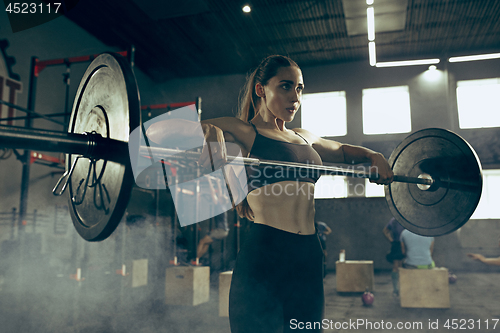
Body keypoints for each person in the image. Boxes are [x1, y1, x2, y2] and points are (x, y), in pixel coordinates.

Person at [147, 55, 393, 333]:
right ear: (261, 90)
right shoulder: (244, 131)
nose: (295, 97)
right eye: (286, 86)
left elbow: (344, 152)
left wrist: (375, 155)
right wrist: (206, 128)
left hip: (309, 254)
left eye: (299, 88)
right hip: (267, 250)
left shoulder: (304, 137)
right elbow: (157, 132)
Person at [197, 176, 230, 260]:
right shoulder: (223, 206)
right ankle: (198, 259)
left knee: (202, 241)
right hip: (224, 231)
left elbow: (213, 193)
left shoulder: (219, 206)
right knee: (206, 243)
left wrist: (209, 180)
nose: (219, 196)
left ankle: (196, 259)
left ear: (221, 200)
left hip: (220, 231)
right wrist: (218, 182)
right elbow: (220, 193)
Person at [383, 217, 405, 296]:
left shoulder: (394, 220)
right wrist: (391, 241)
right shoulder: (395, 221)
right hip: (400, 244)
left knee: (398, 266)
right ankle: (397, 289)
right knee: (398, 266)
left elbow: (385, 231)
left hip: (398, 244)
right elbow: (385, 231)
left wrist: (391, 241)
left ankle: (398, 288)